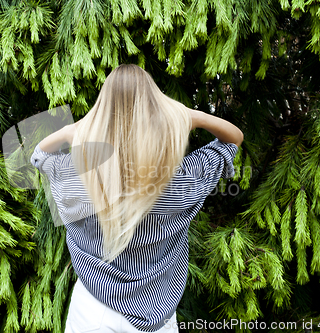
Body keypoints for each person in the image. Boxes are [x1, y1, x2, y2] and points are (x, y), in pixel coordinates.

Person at [30, 64, 243, 333]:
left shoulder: (81, 180)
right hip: (157, 318)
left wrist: (76, 129)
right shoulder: (181, 181)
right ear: (157, 113)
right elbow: (233, 139)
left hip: (92, 311)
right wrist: (190, 116)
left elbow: (39, 155)